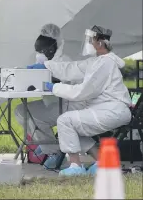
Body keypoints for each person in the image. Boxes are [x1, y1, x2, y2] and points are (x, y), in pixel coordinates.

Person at [27, 25, 132, 176]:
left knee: (65, 120)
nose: (88, 43)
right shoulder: (97, 61)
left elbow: (82, 92)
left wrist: (54, 87)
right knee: (73, 122)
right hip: (104, 109)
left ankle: (76, 166)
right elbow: (72, 68)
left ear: (100, 43)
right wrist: (46, 65)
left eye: (91, 40)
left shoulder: (105, 64)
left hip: (112, 111)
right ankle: (102, 162)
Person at [15, 23, 79, 169]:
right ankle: (46, 144)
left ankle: (54, 152)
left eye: (41, 51)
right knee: (20, 110)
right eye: (37, 51)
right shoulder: (44, 62)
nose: (39, 54)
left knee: (34, 115)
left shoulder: (64, 61)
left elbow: (65, 83)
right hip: (52, 103)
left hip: (68, 105)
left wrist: (49, 76)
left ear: (51, 49)